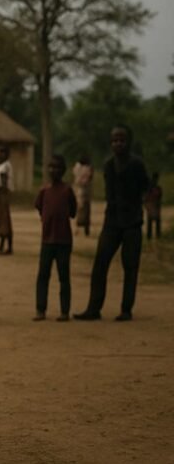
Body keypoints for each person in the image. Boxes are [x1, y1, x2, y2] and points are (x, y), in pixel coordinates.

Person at [74, 126, 150, 321]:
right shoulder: (108, 165)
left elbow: (146, 188)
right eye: (114, 140)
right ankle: (94, 308)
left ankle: (126, 309)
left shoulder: (136, 164)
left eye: (121, 140)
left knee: (130, 266)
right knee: (100, 263)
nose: (118, 143)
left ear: (128, 142)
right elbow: (109, 194)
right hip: (112, 222)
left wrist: (138, 206)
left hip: (132, 222)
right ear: (110, 143)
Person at [33, 155, 77, 321]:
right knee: (43, 275)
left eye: (58, 167)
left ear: (63, 170)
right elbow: (39, 207)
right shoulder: (44, 191)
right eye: (51, 167)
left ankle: (64, 311)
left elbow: (73, 212)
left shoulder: (67, 190)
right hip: (47, 241)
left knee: (63, 276)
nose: (54, 170)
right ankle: (40, 309)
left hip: (64, 241)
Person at [0, 145, 13, 254]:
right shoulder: (2, 166)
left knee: (4, 222)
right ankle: (5, 246)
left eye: (1, 153)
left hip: (2, 195)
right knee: (4, 221)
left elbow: (4, 182)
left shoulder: (4, 166)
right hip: (0, 195)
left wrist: (2, 197)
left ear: (6, 155)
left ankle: (6, 247)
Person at [72, 155, 94, 236]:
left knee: (78, 209)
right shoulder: (87, 168)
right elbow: (89, 177)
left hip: (77, 188)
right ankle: (84, 229)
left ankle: (77, 228)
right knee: (85, 210)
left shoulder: (76, 167)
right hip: (84, 189)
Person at [145, 172, 162, 240]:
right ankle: (154, 236)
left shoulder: (156, 187)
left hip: (154, 205)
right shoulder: (154, 187)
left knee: (153, 221)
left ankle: (153, 236)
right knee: (152, 221)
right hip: (152, 205)